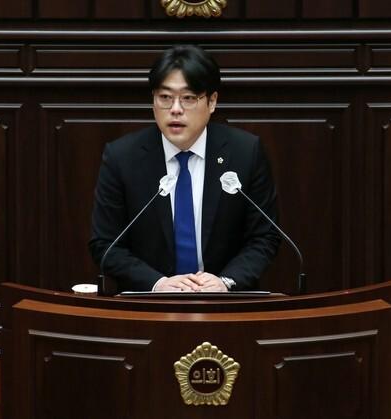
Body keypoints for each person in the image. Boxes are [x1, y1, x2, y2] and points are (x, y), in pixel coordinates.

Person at [89, 45, 280, 292]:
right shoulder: (122, 158)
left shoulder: (245, 153)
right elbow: (105, 244)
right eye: (165, 97)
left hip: (225, 302)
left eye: (188, 98)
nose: (175, 109)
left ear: (212, 101)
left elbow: (265, 236)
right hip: (147, 303)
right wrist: (157, 284)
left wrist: (226, 282)